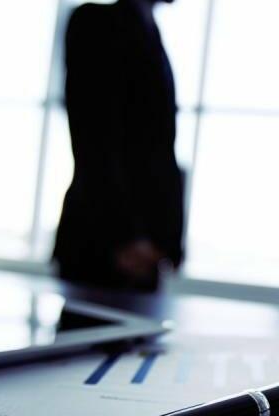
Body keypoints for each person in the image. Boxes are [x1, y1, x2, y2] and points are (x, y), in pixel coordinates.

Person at [53, 0, 183, 293]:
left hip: (148, 249)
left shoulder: (151, 32)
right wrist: (124, 235)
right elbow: (92, 137)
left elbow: (163, 149)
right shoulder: (95, 22)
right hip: (103, 242)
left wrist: (169, 241)